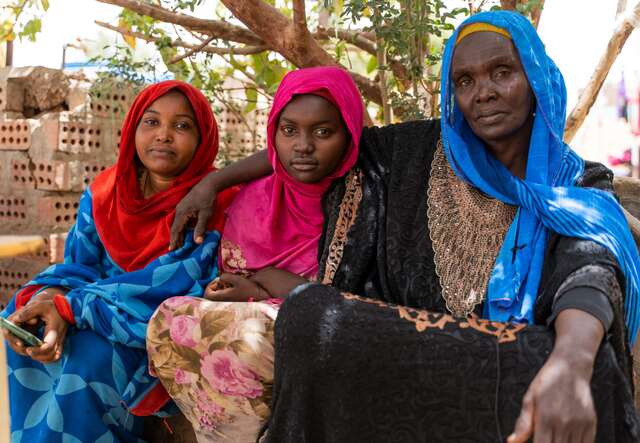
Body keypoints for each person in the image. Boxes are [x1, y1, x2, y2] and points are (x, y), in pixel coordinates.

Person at [170, 11, 640, 443]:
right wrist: (215, 181)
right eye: (464, 80)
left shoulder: (575, 182)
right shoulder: (409, 153)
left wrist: (570, 362)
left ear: (536, 78)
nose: (484, 92)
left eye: (502, 72)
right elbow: (319, 137)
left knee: (595, 374)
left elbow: (589, 271)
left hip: (512, 362)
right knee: (312, 315)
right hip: (405, 349)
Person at [0, 80, 237, 442]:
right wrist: (49, 296)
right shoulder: (105, 191)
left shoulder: (215, 201)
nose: (164, 136)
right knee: (25, 315)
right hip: (94, 311)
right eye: (152, 122)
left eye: (182, 126)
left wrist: (70, 308)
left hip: (156, 328)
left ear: (203, 136)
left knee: (89, 357)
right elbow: (80, 266)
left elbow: (179, 283)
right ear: (133, 129)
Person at [145, 66, 364, 442]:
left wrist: (267, 291)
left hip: (322, 328)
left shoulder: (369, 200)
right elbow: (234, 275)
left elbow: (356, 300)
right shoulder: (256, 199)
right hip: (254, 315)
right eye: (289, 130)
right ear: (273, 133)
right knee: (171, 318)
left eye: (323, 132)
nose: (303, 146)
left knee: (254, 336)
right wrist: (245, 289)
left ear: (350, 133)